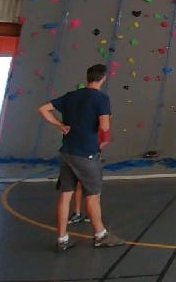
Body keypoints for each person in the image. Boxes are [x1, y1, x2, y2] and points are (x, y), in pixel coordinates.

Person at [37, 63, 124, 251]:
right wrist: (103, 136)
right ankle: (100, 235)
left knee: (65, 194)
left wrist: (60, 125)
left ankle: (62, 239)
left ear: (88, 77)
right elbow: (105, 126)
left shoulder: (71, 96)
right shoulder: (101, 99)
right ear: (103, 78)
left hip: (67, 152)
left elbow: (43, 109)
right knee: (93, 195)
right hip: (86, 153)